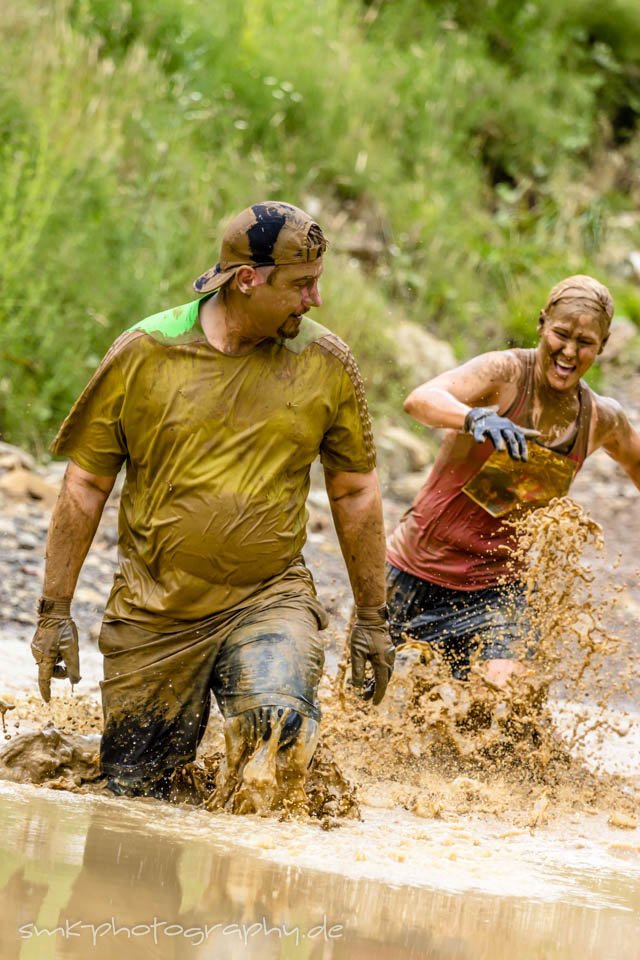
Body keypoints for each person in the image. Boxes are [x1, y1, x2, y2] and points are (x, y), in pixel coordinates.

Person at [31, 201, 395, 808]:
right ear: (247, 278)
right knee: (135, 802)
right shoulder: (146, 350)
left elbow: (355, 492)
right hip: (154, 612)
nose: (315, 300)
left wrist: (374, 618)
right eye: (301, 285)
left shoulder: (325, 361)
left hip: (267, 597)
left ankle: (248, 901)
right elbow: (85, 484)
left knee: (276, 737)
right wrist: (53, 611)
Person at [387, 275, 640, 686]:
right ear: (542, 324)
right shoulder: (504, 373)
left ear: (604, 345)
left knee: (508, 705)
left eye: (585, 343)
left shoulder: (599, 418)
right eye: (561, 334)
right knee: (366, 705)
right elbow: (420, 400)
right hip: (414, 572)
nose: (569, 352)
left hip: (497, 591)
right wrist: (475, 417)